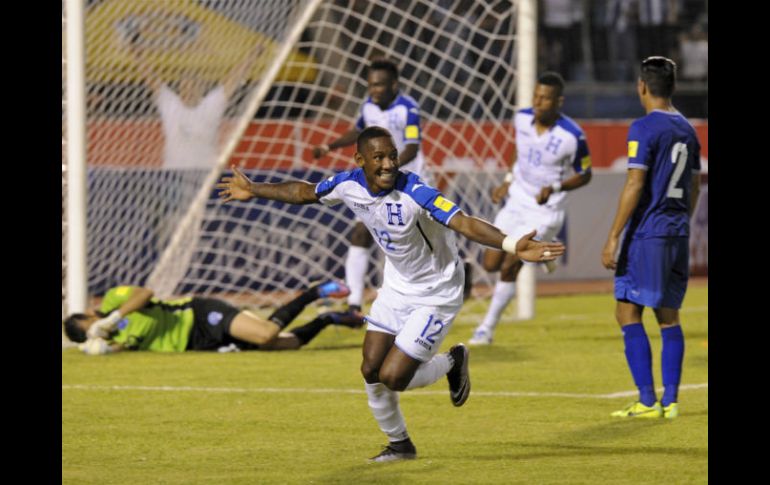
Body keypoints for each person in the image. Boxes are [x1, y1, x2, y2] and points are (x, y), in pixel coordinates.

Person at [217, 126, 565, 462]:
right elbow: (304, 192)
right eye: (379, 157)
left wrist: (511, 245)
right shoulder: (346, 184)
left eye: (393, 156)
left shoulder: (416, 192)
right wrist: (255, 189)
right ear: (360, 160)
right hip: (397, 287)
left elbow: (464, 222)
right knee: (370, 368)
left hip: (437, 292)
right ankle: (399, 445)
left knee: (394, 377)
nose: (388, 164)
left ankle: (451, 361)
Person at [601, 56, 700, 419]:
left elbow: (635, 181)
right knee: (669, 316)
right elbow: (693, 186)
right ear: (672, 87)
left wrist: (613, 236)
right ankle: (670, 401)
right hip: (676, 231)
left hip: (649, 233)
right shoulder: (687, 129)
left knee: (627, 310)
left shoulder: (643, 128)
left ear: (641, 86)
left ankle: (646, 400)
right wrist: (680, 223)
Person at [469, 71, 592, 346]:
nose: (538, 102)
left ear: (558, 102)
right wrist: (507, 180)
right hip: (516, 199)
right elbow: (519, 149)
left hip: (545, 209)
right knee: (490, 263)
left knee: (511, 265)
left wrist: (556, 187)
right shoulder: (522, 118)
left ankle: (486, 329)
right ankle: (546, 252)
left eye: (545, 98)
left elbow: (586, 174)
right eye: (536, 96)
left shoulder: (573, 136)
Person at [311, 58, 434, 314]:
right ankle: (354, 303)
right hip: (378, 182)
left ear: (393, 84)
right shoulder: (368, 107)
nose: (374, 90)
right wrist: (329, 146)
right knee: (360, 233)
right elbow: (358, 132)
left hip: (407, 183)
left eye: (379, 85)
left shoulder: (408, 108)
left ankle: (446, 277)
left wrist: (391, 167)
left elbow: (412, 146)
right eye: (370, 85)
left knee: (422, 242)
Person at [63, 280, 361, 355]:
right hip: (198, 342)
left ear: (90, 314)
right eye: (90, 332)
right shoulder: (114, 339)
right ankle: (328, 320)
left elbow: (146, 293)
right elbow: (130, 345)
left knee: (265, 334)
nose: (96, 328)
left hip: (198, 314)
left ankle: (316, 292)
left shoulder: (115, 300)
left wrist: (113, 317)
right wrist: (103, 347)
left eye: (89, 323)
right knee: (288, 344)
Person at [128, 34, 262, 169]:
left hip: (205, 175)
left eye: (193, 86)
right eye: (184, 86)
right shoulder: (170, 104)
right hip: (173, 174)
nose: (188, 90)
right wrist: (137, 56)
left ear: (201, 90)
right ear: (179, 89)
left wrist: (252, 56)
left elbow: (232, 80)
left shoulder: (211, 104)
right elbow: (151, 78)